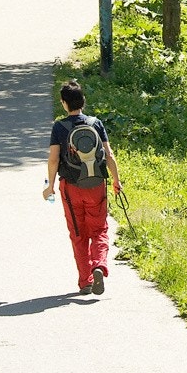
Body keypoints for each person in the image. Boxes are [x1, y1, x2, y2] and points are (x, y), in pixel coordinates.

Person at [42, 79, 122, 296]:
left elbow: (53, 159)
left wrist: (49, 186)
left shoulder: (59, 127)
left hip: (70, 187)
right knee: (99, 229)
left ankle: (85, 281)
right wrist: (116, 180)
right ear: (83, 101)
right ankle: (99, 266)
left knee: (78, 233)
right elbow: (108, 154)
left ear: (64, 103)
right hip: (96, 184)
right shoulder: (95, 123)